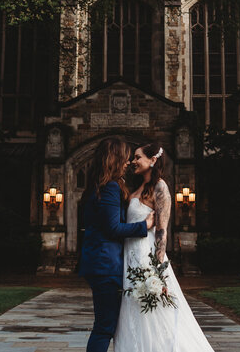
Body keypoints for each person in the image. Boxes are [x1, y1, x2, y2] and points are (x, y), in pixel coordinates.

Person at [116, 142, 215, 352]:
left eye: (137, 157)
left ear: (152, 160)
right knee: (133, 308)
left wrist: (157, 270)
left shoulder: (160, 187)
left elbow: (162, 231)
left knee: (153, 311)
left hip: (146, 256)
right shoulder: (137, 188)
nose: (133, 161)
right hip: (130, 255)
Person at [78, 138, 155, 352]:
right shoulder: (110, 188)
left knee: (104, 325)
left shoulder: (98, 187)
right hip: (106, 265)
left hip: (99, 263)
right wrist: (144, 225)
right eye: (125, 158)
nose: (128, 162)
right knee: (104, 328)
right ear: (115, 158)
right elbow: (113, 229)